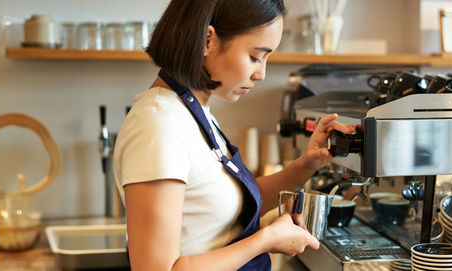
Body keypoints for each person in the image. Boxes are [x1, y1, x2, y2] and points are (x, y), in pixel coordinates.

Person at [112, 0, 355, 270]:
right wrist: (265, 240)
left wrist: (308, 163)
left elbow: (232, 206)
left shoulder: (192, 113)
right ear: (208, 40)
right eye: (255, 56)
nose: (261, 73)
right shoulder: (158, 123)